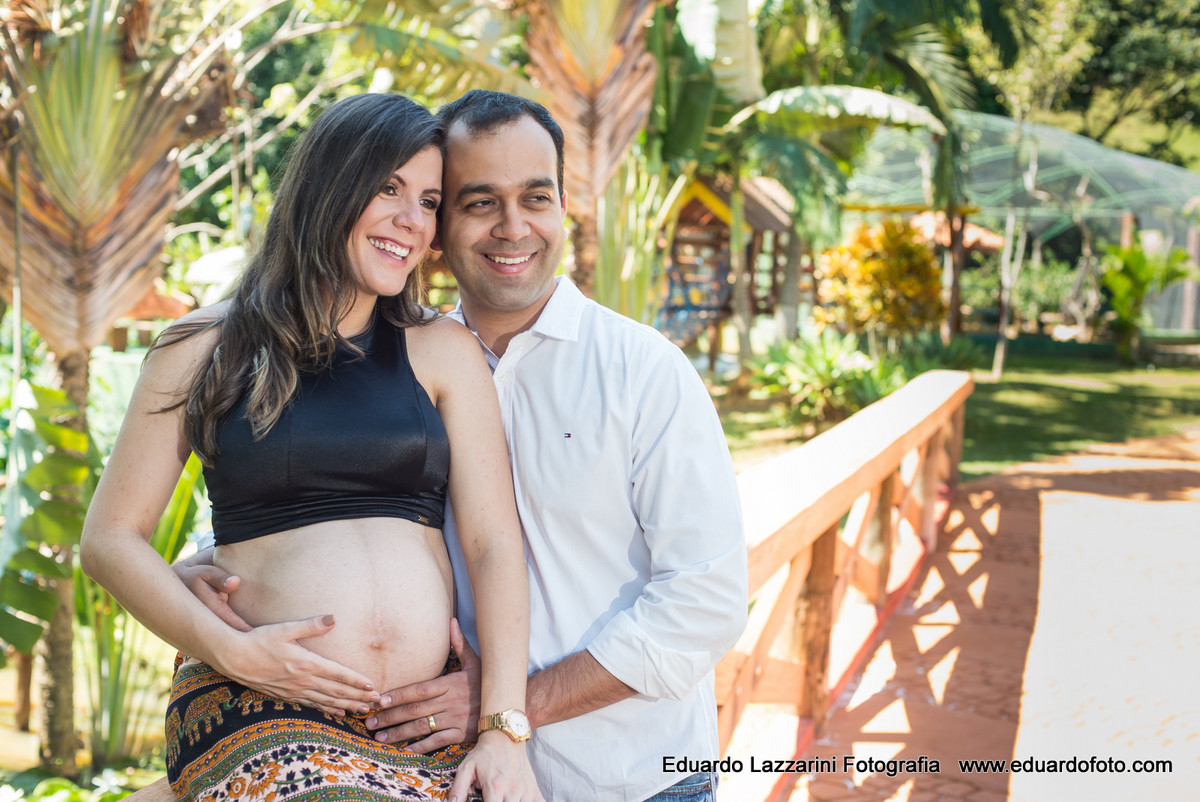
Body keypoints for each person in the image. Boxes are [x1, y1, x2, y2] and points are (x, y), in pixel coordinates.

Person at [134, 89, 747, 802]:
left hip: (623, 775)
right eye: (476, 201)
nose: (512, 227)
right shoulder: (419, 351)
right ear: (447, 228)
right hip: (413, 747)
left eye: (535, 197)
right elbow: (302, 485)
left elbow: (704, 600)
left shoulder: (640, 371)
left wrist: (506, 711)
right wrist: (201, 570)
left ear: (564, 206)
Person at [80, 93, 543, 802]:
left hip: (416, 730)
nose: (410, 221)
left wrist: (502, 731)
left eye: (428, 201)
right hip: (259, 704)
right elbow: (111, 539)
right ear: (330, 186)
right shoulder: (202, 346)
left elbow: (493, 546)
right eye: (387, 188)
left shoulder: (443, 350)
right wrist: (235, 652)